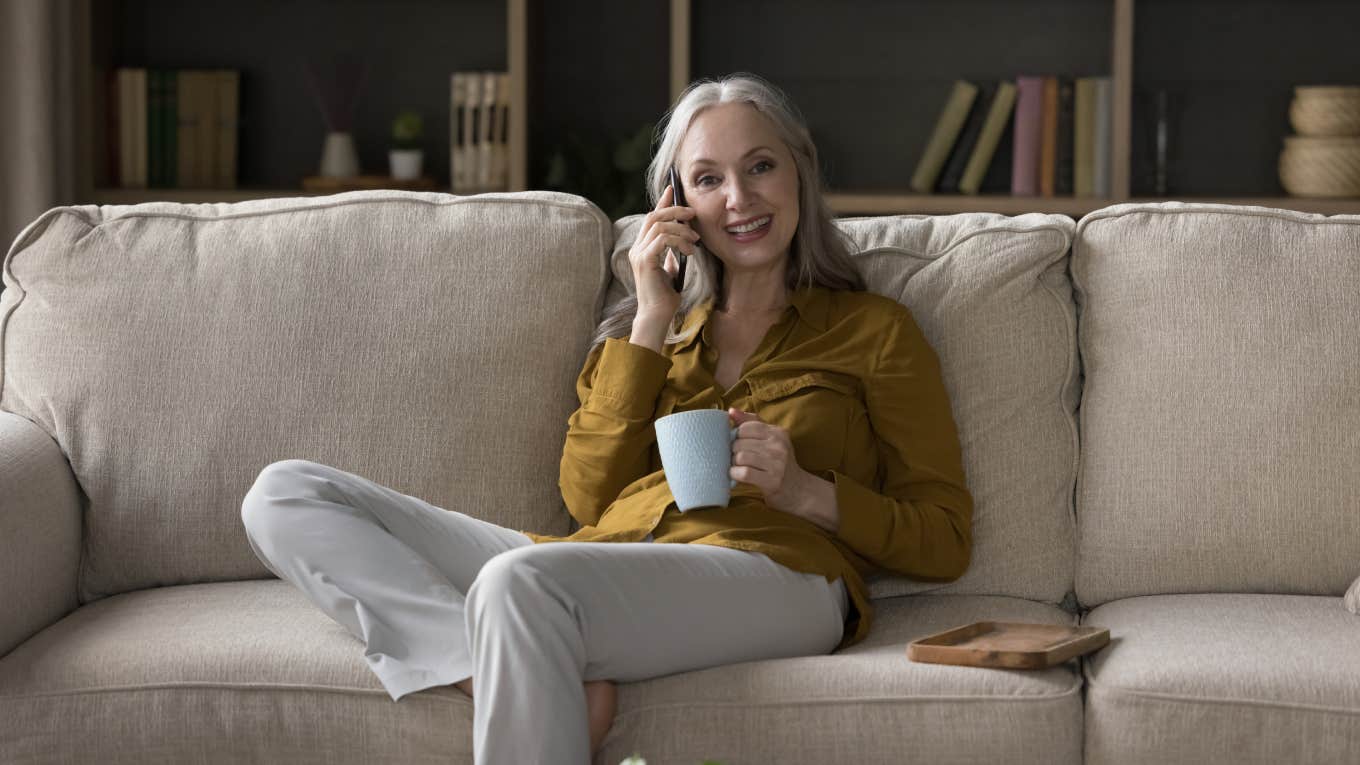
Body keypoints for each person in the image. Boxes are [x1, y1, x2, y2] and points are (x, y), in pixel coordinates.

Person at [239, 72, 972, 765]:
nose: (739, 198)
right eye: (709, 179)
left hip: (782, 572)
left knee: (518, 583)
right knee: (285, 492)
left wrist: (809, 491)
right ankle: (498, 667)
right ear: (675, 203)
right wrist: (652, 317)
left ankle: (526, 652)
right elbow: (589, 502)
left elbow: (945, 538)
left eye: (760, 167)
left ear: (800, 172)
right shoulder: (646, 335)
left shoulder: (875, 330)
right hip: (612, 554)